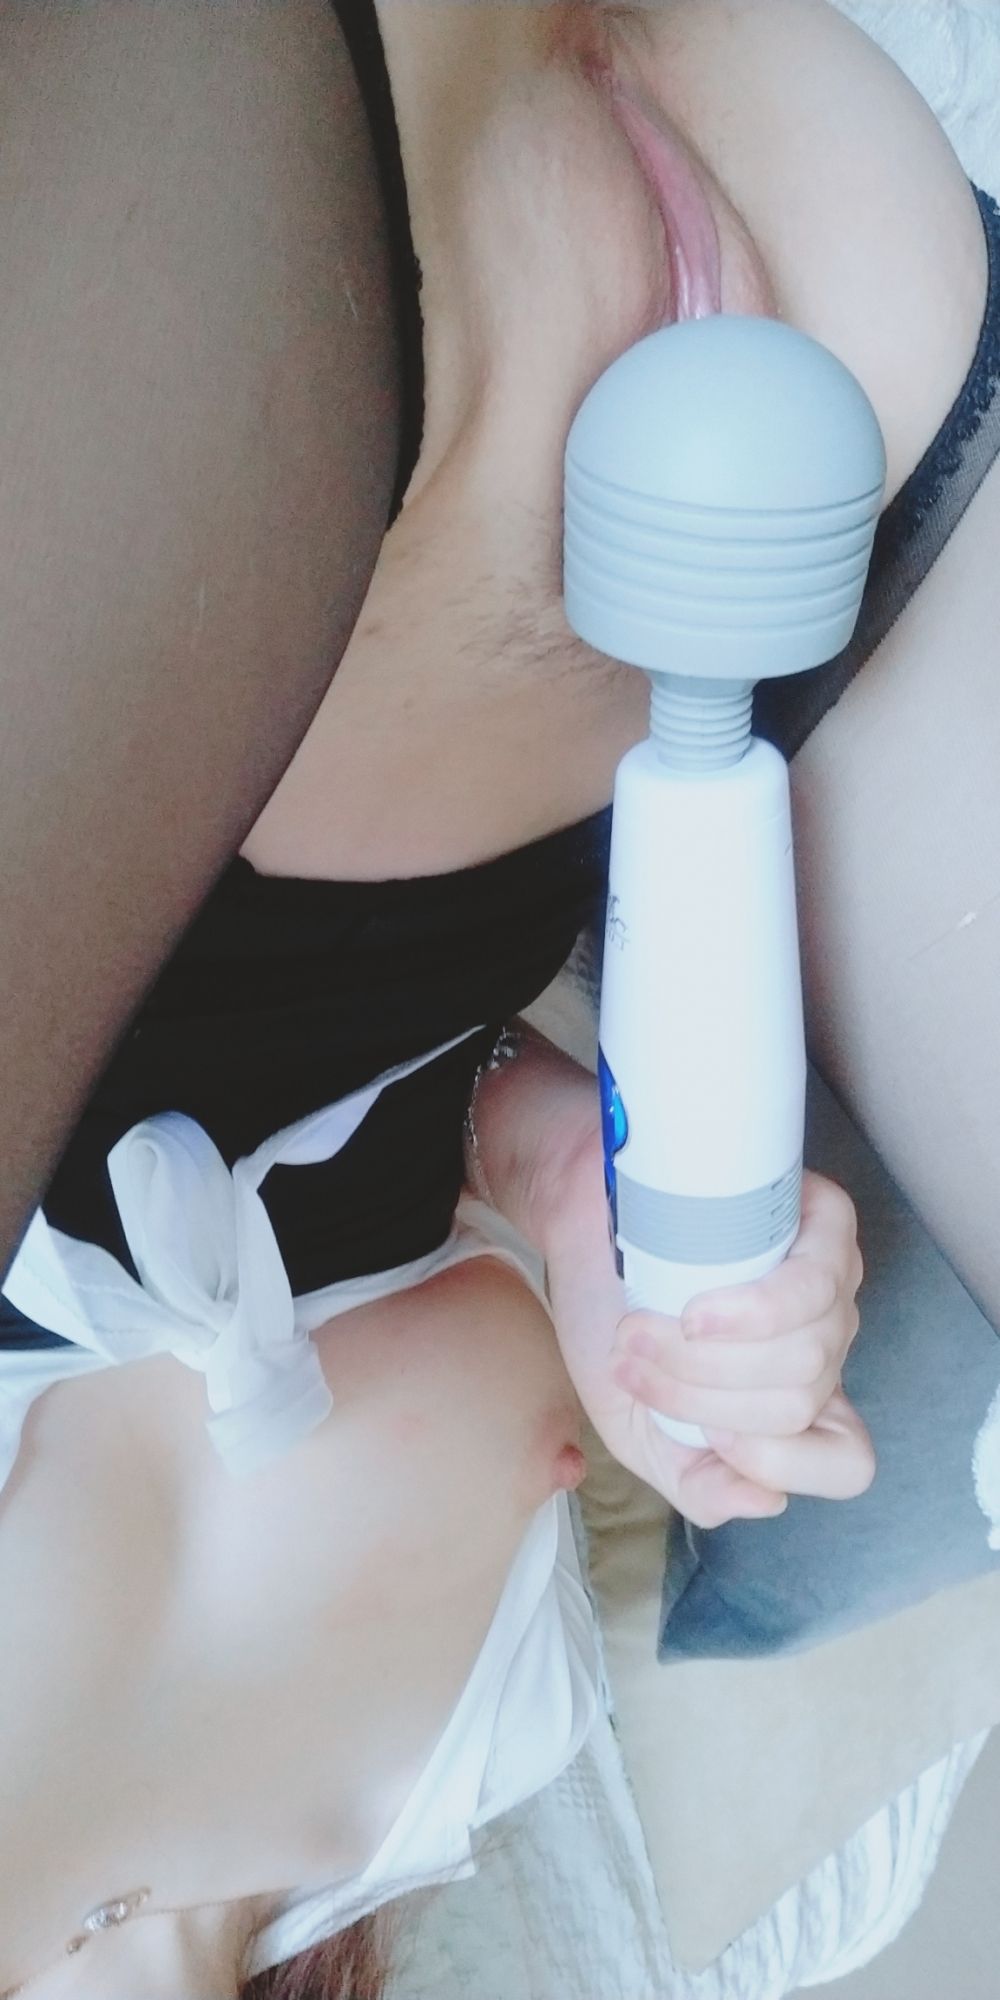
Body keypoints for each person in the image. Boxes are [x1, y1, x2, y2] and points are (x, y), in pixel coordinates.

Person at [1, 0, 997, 1993]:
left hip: (291, 334)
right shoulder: (367, 1882)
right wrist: (563, 1190)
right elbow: (392, 1143)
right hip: (762, 514)